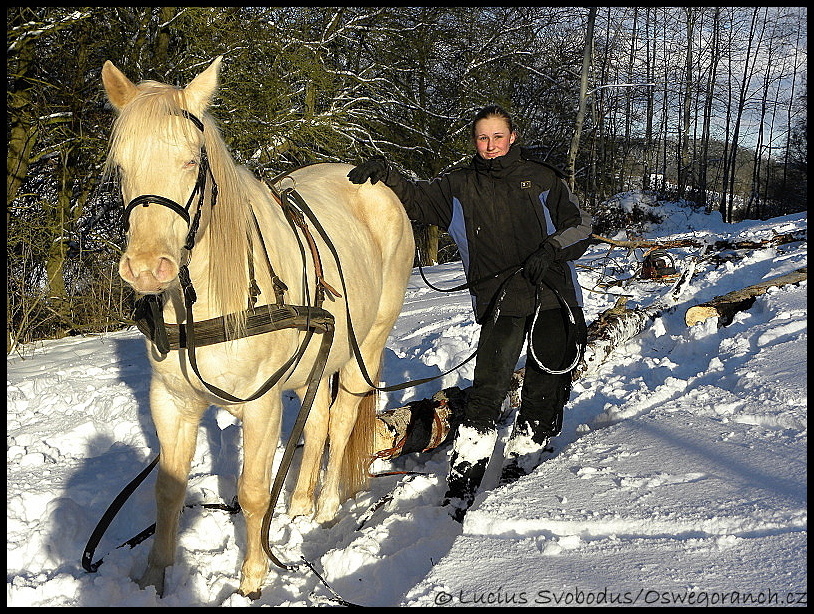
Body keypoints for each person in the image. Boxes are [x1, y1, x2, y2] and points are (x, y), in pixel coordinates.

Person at [347, 105, 591, 522]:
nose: (491, 146)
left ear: (512, 137)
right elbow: (420, 202)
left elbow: (581, 224)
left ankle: (526, 456)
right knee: (486, 391)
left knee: (546, 382)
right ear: (474, 141)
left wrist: (551, 250)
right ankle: (466, 475)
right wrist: (386, 174)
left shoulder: (544, 178)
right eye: (483, 138)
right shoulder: (459, 186)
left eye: (498, 137)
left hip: (553, 294)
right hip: (500, 300)